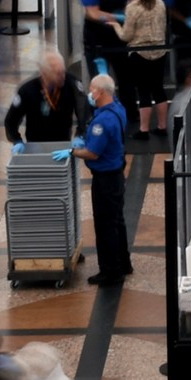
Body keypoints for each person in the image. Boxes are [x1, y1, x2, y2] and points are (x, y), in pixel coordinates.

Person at [64, 73, 131, 284]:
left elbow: (93, 153)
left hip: (105, 179)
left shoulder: (102, 122)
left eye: (92, 89)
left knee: (105, 225)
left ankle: (111, 270)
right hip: (117, 174)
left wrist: (72, 152)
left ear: (100, 92)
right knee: (117, 221)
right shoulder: (118, 109)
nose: (89, 94)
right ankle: (123, 262)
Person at [116, 0, 170, 138]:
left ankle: (144, 129)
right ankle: (162, 126)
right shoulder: (160, 4)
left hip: (140, 54)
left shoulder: (133, 7)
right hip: (160, 52)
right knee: (159, 89)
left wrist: (115, 25)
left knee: (143, 91)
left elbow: (126, 35)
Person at [3, 50, 82, 147]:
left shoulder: (72, 84)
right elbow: (11, 120)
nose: (62, 77)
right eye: (57, 74)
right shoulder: (27, 91)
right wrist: (16, 140)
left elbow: (84, 113)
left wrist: (80, 135)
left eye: (63, 72)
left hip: (63, 144)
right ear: (44, 73)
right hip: (36, 145)